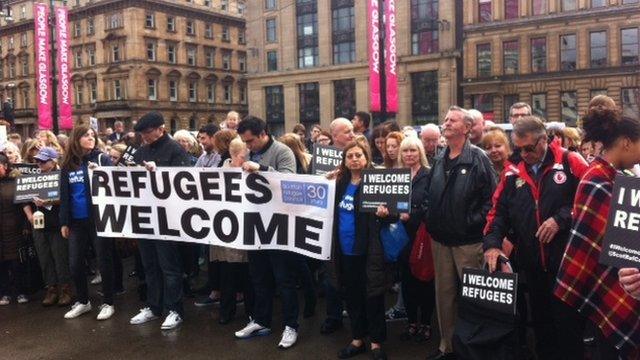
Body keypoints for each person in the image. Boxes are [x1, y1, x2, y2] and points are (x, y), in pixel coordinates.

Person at [484, 116, 588, 360]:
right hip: (532, 265)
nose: (524, 154)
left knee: (568, 330)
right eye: (518, 149)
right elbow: (497, 213)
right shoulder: (511, 171)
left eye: (529, 148)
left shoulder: (569, 160)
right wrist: (492, 245)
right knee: (542, 328)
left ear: (544, 140)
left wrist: (561, 219)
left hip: (567, 265)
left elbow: (591, 201)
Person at [554, 109, 640, 358]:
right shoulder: (598, 179)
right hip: (612, 286)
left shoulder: (613, 176)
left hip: (619, 282)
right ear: (625, 142)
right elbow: (621, 249)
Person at [425, 106, 497, 360]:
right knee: (444, 297)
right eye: (445, 119)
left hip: (468, 242)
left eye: (452, 120)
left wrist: (470, 223)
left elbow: (492, 201)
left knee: (471, 297)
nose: (446, 123)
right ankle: (448, 347)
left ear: (466, 128)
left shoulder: (478, 158)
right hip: (441, 241)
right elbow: (429, 196)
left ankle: (474, 347)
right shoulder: (439, 158)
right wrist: (430, 216)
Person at [233, 115, 300, 349]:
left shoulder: (282, 151)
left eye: (250, 141)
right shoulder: (249, 152)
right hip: (256, 224)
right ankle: (261, 320)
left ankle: (291, 325)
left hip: (278, 225)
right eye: (244, 142)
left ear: (263, 134)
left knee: (284, 278)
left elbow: (290, 181)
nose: (248, 146)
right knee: (259, 277)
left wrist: (261, 168)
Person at [129, 112, 192, 331]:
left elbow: (186, 182)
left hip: (167, 218)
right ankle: (154, 306)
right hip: (146, 217)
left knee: (169, 267)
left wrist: (160, 173)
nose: (145, 137)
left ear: (160, 128)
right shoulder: (141, 151)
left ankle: (174, 309)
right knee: (150, 265)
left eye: (148, 132)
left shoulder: (175, 149)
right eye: (142, 133)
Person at [329, 141, 389, 360]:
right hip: (345, 251)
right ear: (344, 161)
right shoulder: (340, 183)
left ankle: (376, 342)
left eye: (358, 155)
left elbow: (394, 208)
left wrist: (385, 213)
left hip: (370, 250)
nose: (354, 159)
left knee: (373, 295)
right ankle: (357, 338)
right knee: (352, 296)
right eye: (350, 156)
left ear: (366, 158)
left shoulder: (376, 181)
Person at [59, 125, 116, 320]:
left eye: (93, 135)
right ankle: (83, 301)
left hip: (98, 219)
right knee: (75, 263)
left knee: (104, 261)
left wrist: (101, 172)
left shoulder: (102, 158)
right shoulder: (68, 164)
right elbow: (64, 194)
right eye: (86, 135)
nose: (91, 138)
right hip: (76, 221)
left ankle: (108, 302)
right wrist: (64, 222)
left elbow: (115, 185)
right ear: (76, 139)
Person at [396, 137, 434, 343]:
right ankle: (411, 323)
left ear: (420, 152)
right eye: (405, 151)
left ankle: (427, 323)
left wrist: (413, 215)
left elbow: (432, 203)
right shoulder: (397, 176)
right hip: (401, 237)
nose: (409, 154)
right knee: (407, 282)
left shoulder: (429, 175)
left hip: (422, 236)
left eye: (413, 150)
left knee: (425, 281)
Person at [212, 137, 255, 324]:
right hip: (228, 235)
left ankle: (248, 312)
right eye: (245, 156)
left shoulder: (250, 172)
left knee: (246, 277)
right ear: (237, 155)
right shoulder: (219, 174)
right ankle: (227, 312)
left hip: (242, 232)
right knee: (229, 277)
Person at [23, 148, 72, 307]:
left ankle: (65, 289)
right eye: (37, 160)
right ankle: (51, 288)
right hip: (38, 224)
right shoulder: (33, 177)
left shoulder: (62, 176)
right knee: (44, 258)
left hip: (56, 222)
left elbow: (67, 198)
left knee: (60, 257)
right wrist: (29, 214)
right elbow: (23, 197)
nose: (38, 164)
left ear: (53, 161)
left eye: (42, 161)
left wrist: (48, 202)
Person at [0, 152, 29, 306]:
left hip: (15, 228)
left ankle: (20, 291)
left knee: (17, 262)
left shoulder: (16, 182)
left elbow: (24, 203)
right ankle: (4, 292)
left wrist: (27, 224)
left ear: (5, 166)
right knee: (2, 263)